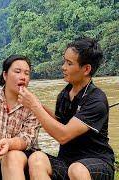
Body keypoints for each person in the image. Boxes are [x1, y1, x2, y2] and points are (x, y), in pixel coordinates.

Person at [18, 37, 114, 180]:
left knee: (77, 170)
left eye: (69, 63)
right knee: (36, 159)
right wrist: (36, 104)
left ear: (86, 69)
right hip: (67, 160)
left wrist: (34, 105)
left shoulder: (96, 99)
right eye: (64, 61)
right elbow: (60, 123)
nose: (63, 67)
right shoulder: (64, 95)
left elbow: (63, 135)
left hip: (97, 161)